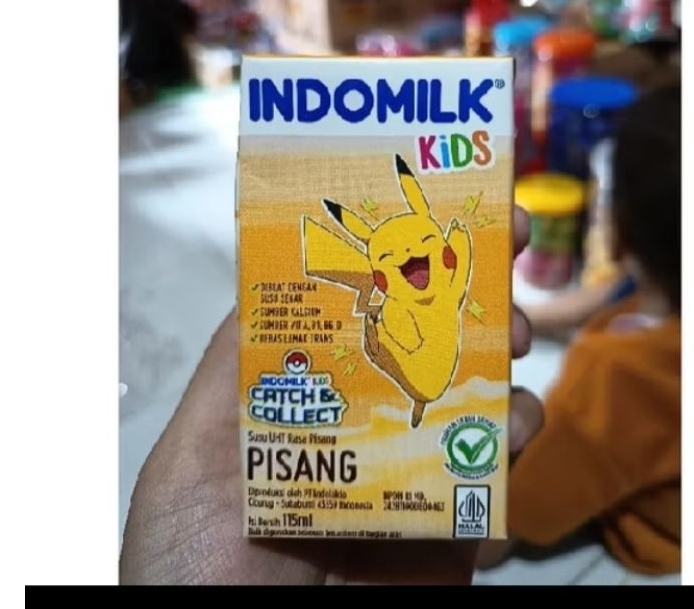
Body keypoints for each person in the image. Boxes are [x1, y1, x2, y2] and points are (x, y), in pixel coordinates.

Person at [119, 206, 545, 585]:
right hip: (389, 396)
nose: (413, 256)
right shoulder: (400, 305)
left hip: (422, 400)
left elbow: (457, 268)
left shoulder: (439, 293)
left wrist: (463, 242)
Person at [478, 83, 681, 576]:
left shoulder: (616, 375)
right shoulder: (665, 298)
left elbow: (489, 539)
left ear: (615, 234)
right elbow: (611, 294)